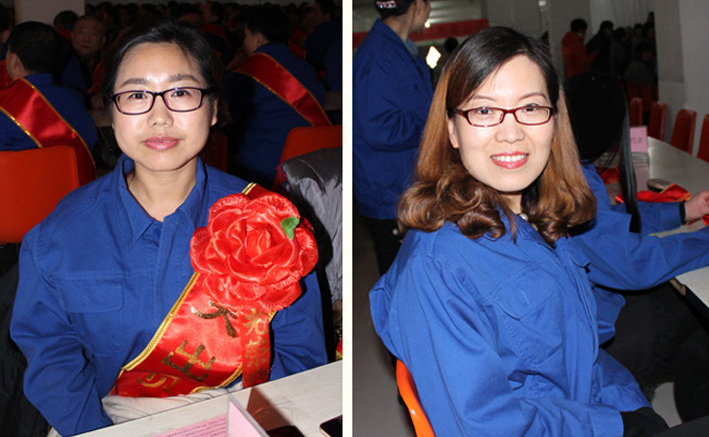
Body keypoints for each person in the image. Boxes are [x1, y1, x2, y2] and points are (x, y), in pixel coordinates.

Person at [370, 26, 709, 437]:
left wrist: (628, 408)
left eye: (530, 107)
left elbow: (583, 353)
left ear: (555, 121)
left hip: (593, 407)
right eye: (484, 111)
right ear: (452, 129)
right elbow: (488, 426)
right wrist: (612, 423)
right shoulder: (436, 268)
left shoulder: (535, 216)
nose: (511, 132)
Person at [11, 18, 327, 437]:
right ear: (110, 111)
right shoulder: (61, 235)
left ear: (213, 109)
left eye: (180, 93)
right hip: (105, 417)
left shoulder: (268, 221)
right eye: (136, 95)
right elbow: (52, 357)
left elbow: (299, 356)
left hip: (242, 412)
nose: (159, 116)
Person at [565, 71, 709, 422]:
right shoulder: (572, 181)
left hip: (588, 316)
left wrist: (682, 212)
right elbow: (634, 264)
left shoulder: (565, 168)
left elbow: (608, 221)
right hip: (597, 335)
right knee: (696, 311)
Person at [353, 0, 432, 275]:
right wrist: (433, 126)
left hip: (406, 185)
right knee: (399, 278)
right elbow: (379, 128)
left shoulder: (401, 50)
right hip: (390, 193)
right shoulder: (378, 56)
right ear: (418, 5)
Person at [227, 4, 328, 187]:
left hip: (262, 169)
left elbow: (228, 116)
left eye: (246, 36)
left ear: (258, 38)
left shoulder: (247, 73)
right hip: (310, 166)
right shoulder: (305, 67)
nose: (243, 43)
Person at [0, 21, 97, 185]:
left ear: (14, 60)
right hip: (73, 195)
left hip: (16, 196)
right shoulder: (75, 99)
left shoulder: (5, 107)